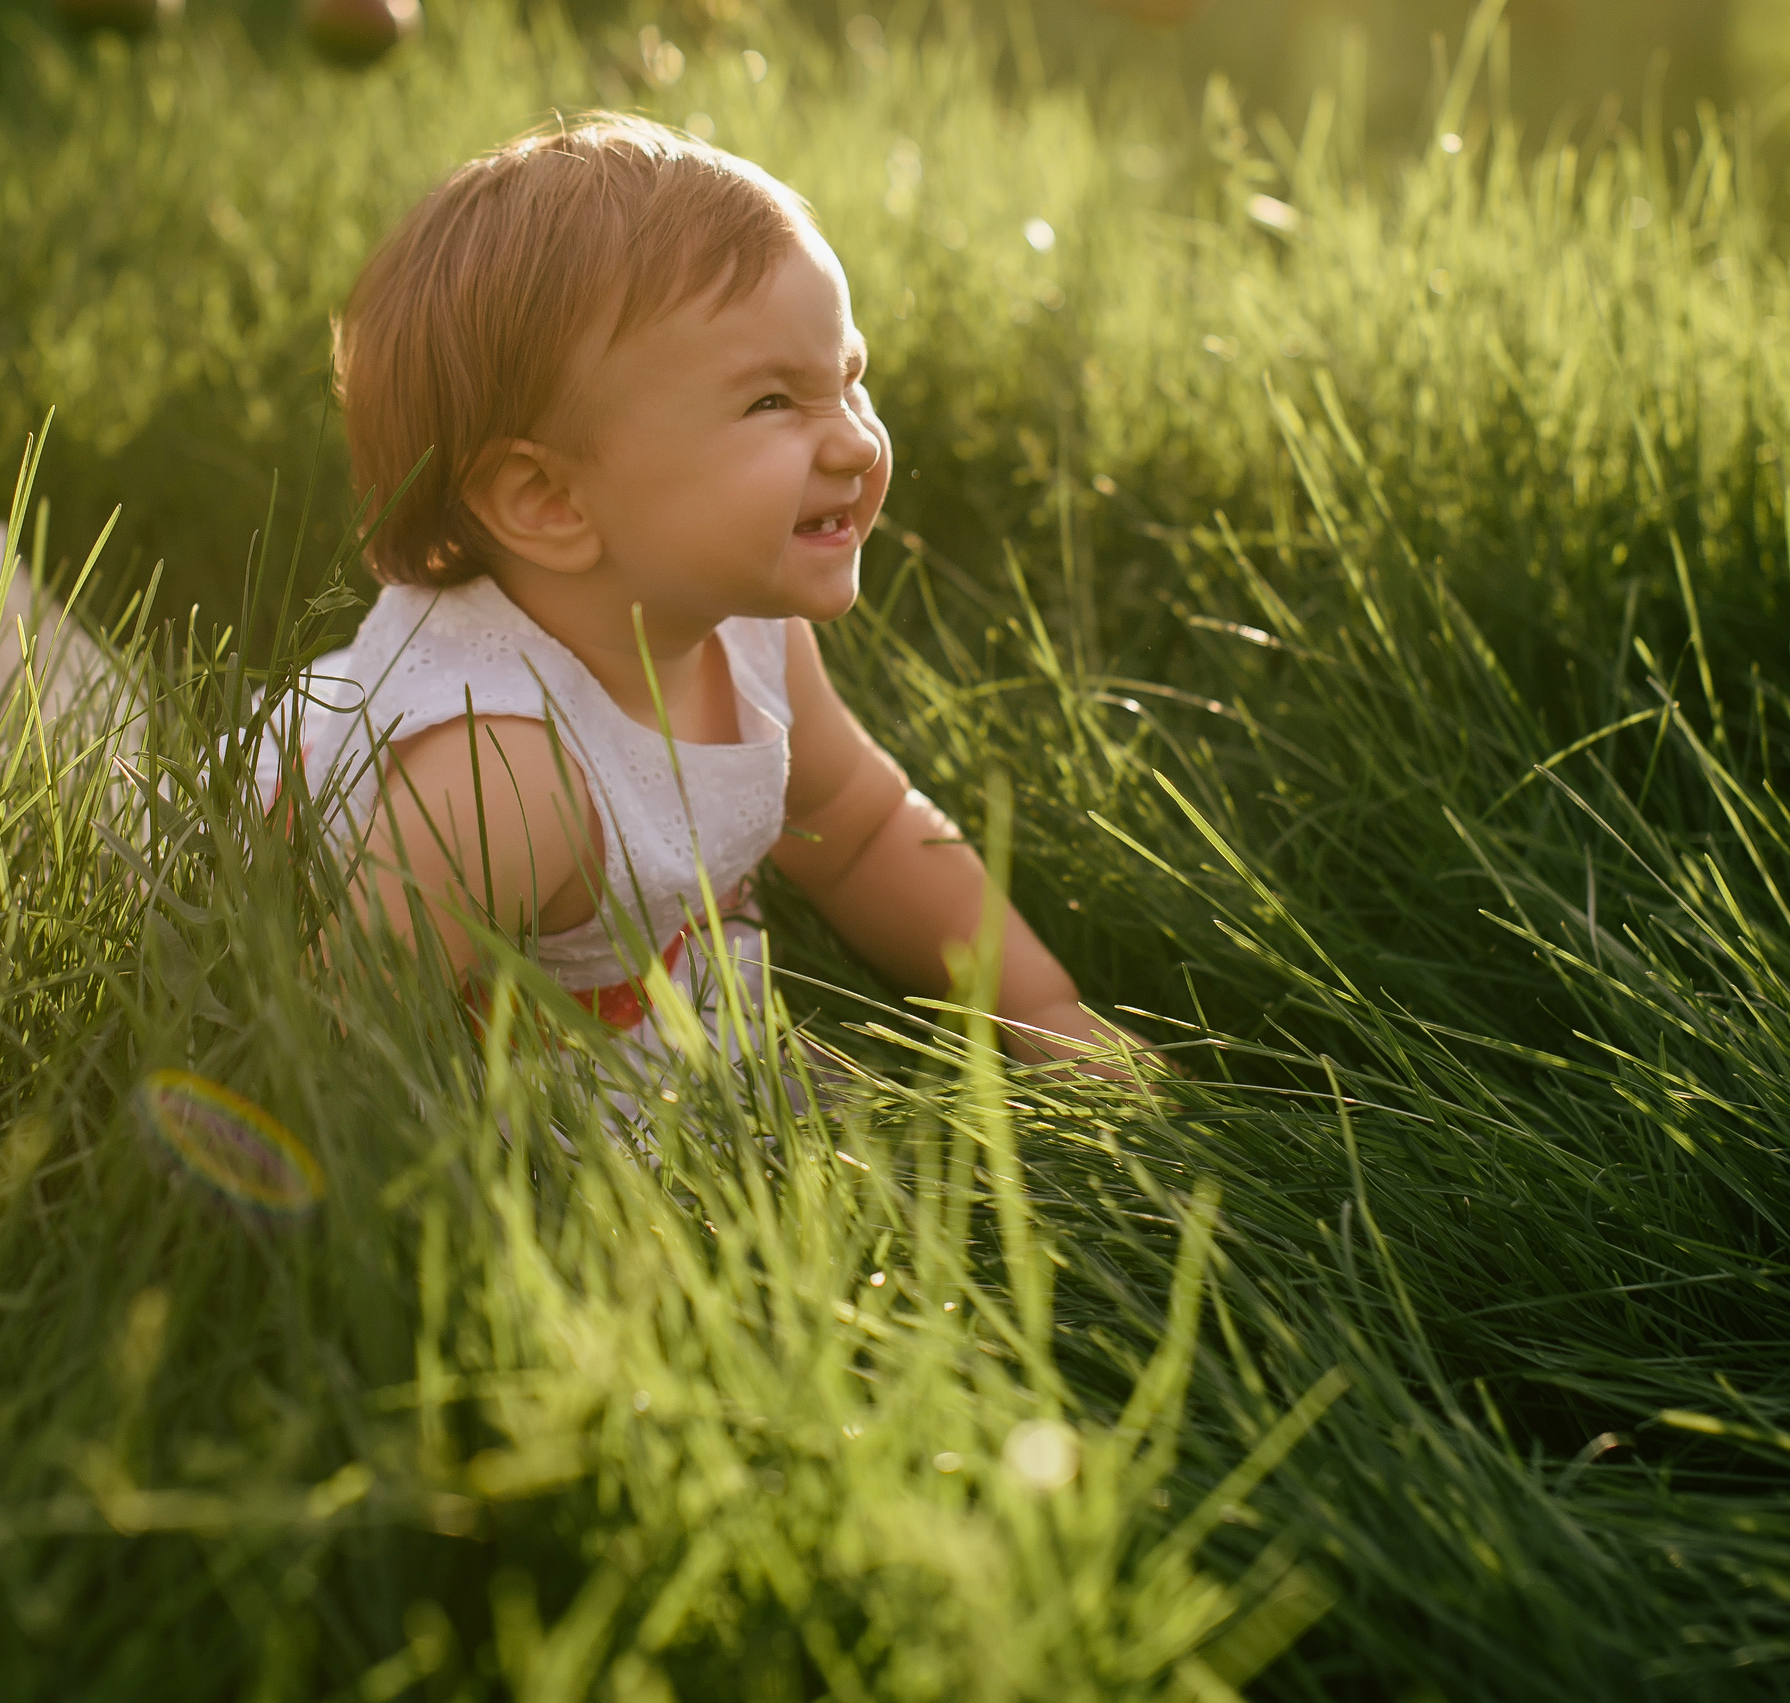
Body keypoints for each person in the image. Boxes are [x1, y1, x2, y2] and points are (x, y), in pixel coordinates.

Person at [286, 112, 1150, 1082]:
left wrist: (1042, 1012)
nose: (857, 441)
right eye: (771, 401)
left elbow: (859, 829)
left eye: (849, 379)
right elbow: (333, 1042)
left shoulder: (746, 632)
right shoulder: (502, 778)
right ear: (549, 500)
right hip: (481, 1033)